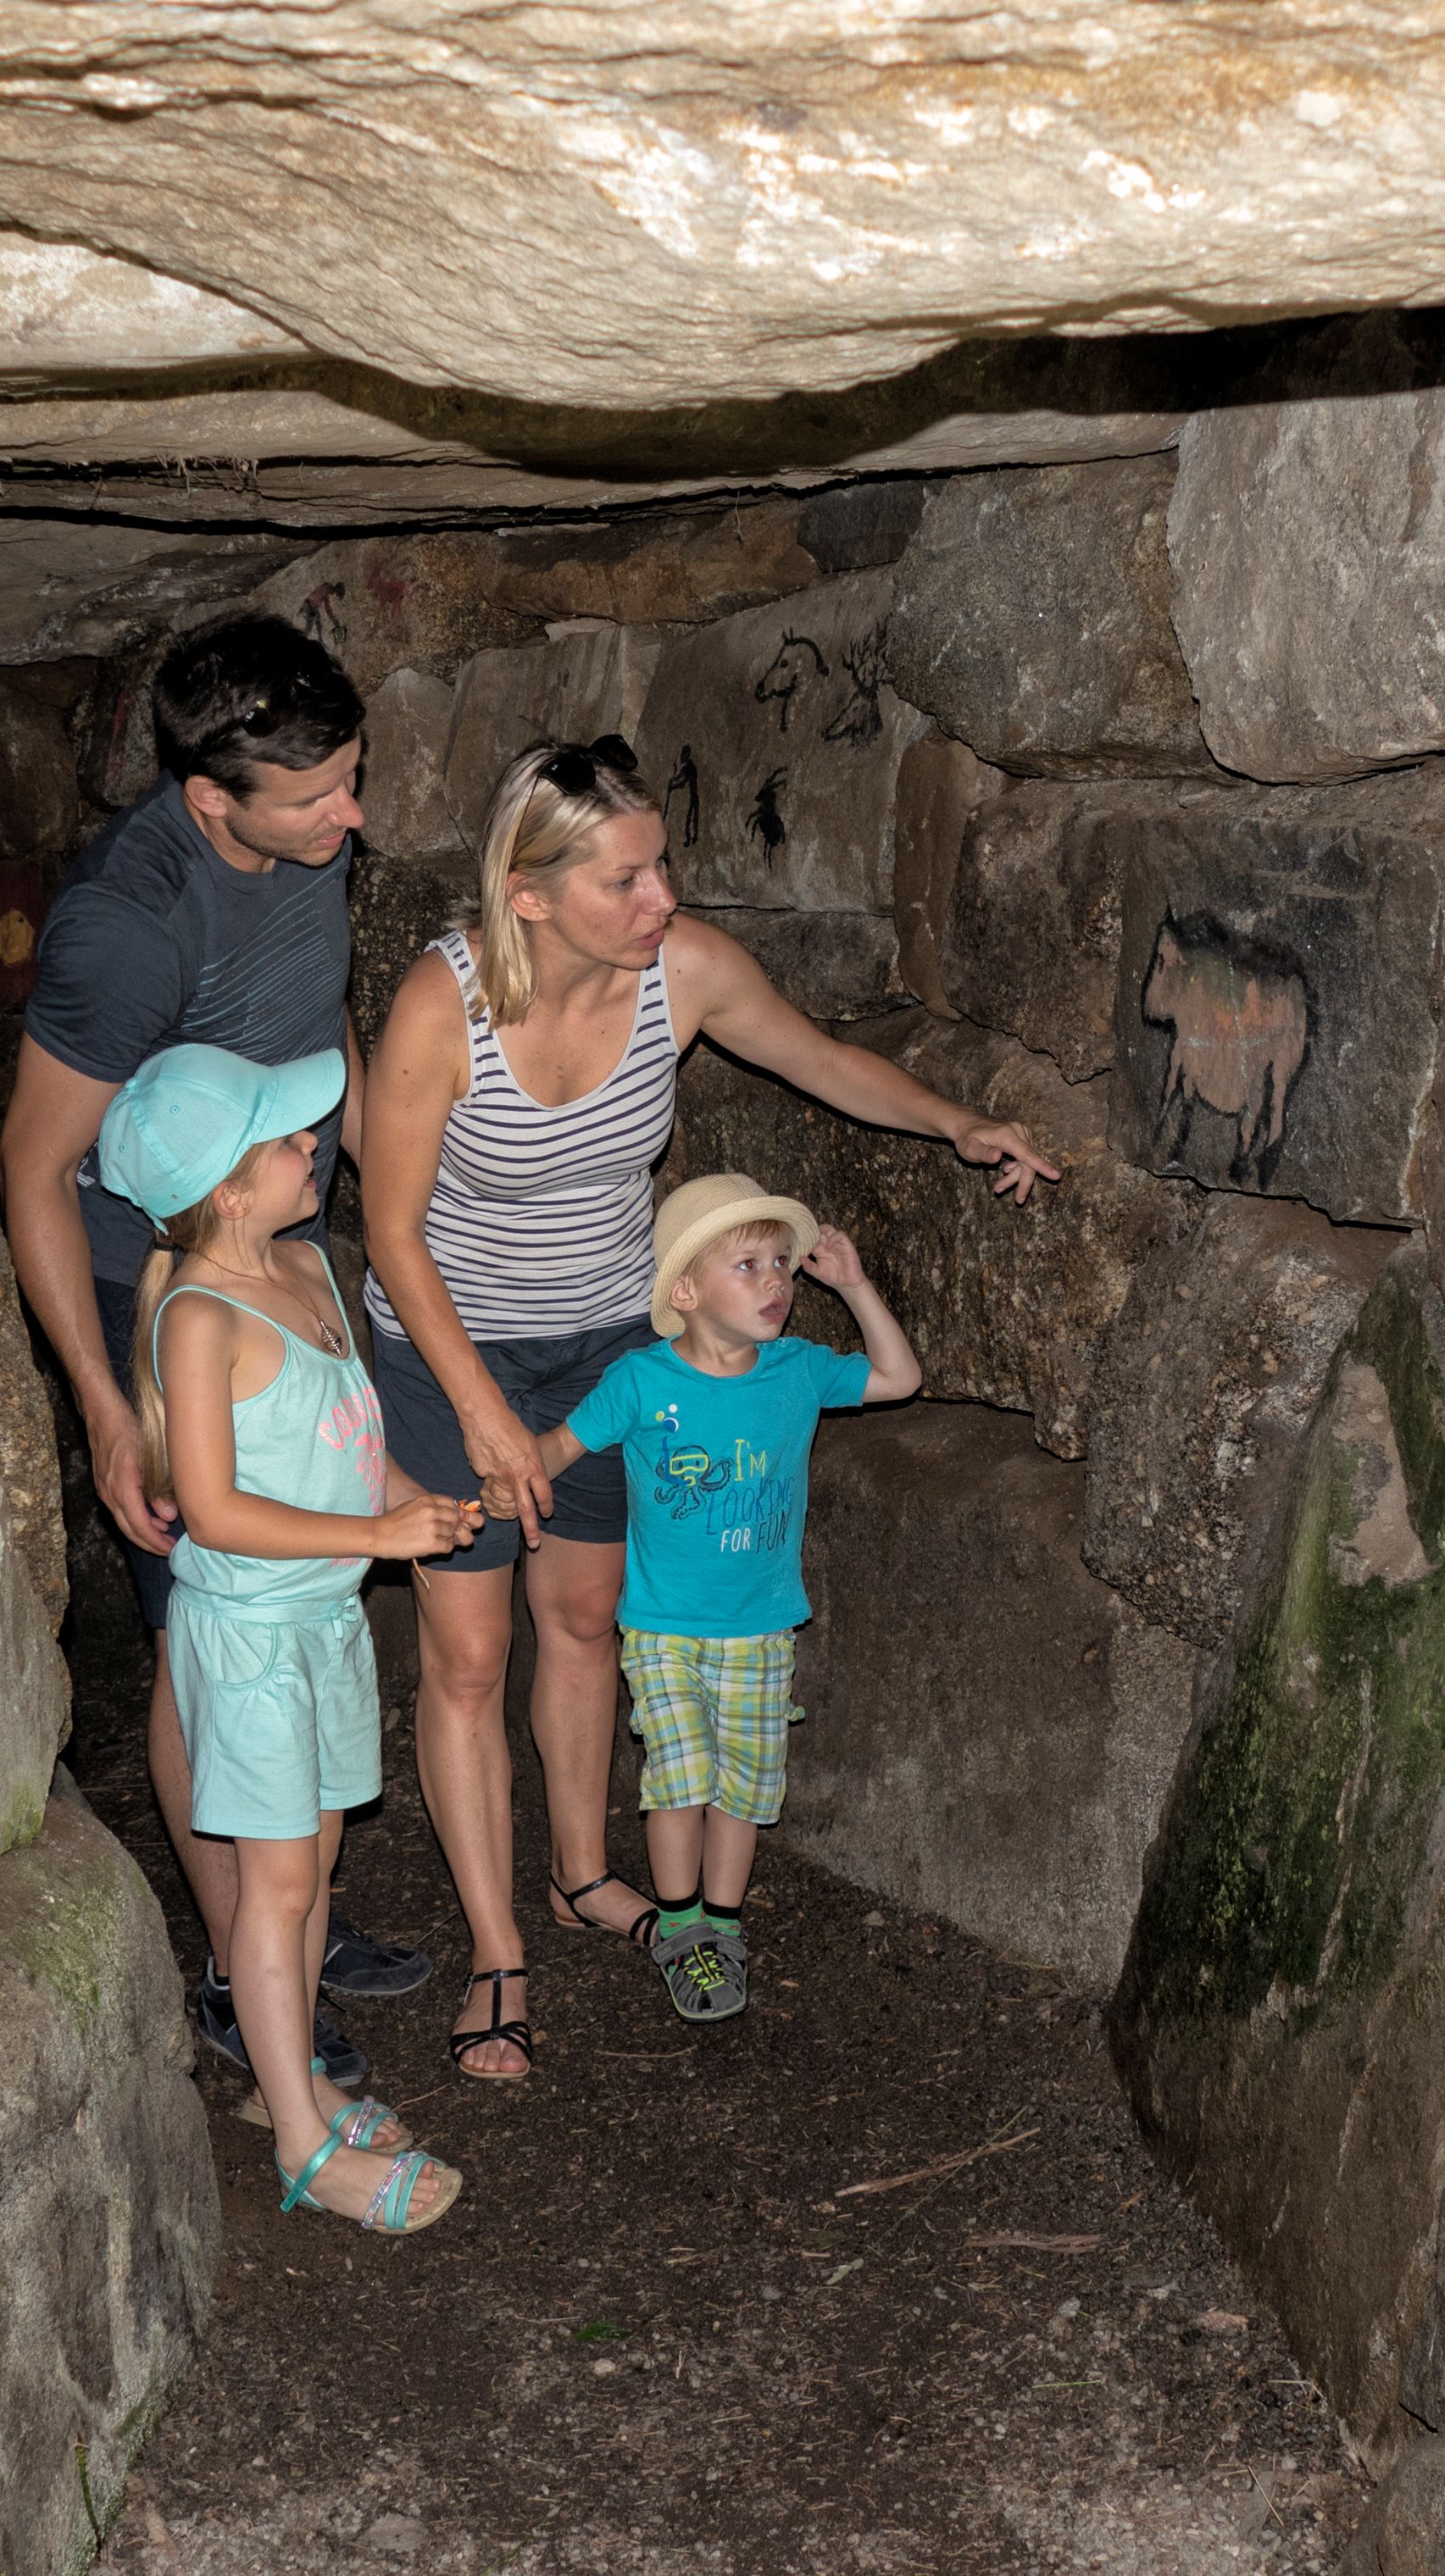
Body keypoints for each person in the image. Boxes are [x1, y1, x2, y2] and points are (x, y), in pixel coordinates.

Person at [363, 736, 1061, 2079]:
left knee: (579, 1614)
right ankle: (497, 1950)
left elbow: (820, 1061)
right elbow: (391, 1233)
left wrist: (956, 1123)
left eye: (661, 865)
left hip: (610, 1338)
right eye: (625, 878)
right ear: (528, 894)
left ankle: (579, 1876)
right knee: (465, 1652)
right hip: (448, 1345)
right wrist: (483, 1416)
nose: (661, 898)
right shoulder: (440, 1011)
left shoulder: (682, 975)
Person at [0, 612, 428, 2088]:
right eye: (318, 800)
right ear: (210, 800)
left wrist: (394, 1218)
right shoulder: (126, 927)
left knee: (301, 1598)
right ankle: (242, 1964)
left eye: (354, 782)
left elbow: (327, 1022)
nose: (352, 819)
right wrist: (113, 1418)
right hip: (176, 1286)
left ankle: (289, 1911)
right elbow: (38, 1166)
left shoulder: (310, 836)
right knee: (208, 1627)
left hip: (291, 1241)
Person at [105, 1043, 475, 2233]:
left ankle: (290, 2077)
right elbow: (210, 1511)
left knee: (313, 1867)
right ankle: (304, 2150)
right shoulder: (202, 1318)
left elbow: (349, 1443)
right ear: (224, 1186)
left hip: (323, 1622)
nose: (313, 1142)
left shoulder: (309, 1266)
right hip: (255, 1637)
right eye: (284, 1137)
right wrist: (379, 1531)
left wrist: (418, 1504)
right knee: (274, 1884)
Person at [527, 1176, 919, 2020]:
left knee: (743, 1785)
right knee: (678, 1779)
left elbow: (899, 1377)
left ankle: (724, 1927)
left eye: (781, 1263)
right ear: (686, 1291)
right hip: (662, 1624)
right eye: (748, 1265)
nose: (776, 1280)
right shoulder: (640, 1381)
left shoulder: (798, 1369)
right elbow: (557, 1447)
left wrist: (851, 1284)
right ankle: (680, 1929)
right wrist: (498, 1484)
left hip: (762, 1626)